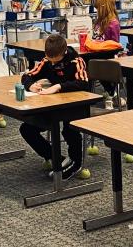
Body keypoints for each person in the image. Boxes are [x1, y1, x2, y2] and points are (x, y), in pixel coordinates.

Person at [19, 34, 89, 180]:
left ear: (63, 53)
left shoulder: (76, 61)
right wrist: (31, 85)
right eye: (49, 59)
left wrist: (58, 86)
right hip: (52, 105)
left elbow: (83, 83)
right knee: (27, 129)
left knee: (69, 131)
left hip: (76, 105)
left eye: (55, 60)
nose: (52, 63)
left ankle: (76, 163)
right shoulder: (47, 61)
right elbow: (27, 75)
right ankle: (57, 158)